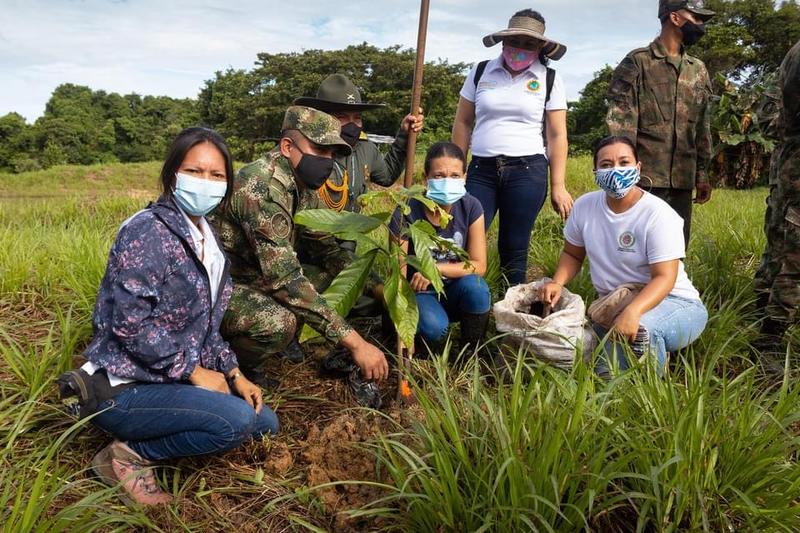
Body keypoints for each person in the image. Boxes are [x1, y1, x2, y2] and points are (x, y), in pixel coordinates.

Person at [80, 127, 278, 506]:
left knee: (264, 423)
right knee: (234, 422)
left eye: (217, 175)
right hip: (124, 386)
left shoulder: (208, 238)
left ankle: (182, 418)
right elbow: (129, 323)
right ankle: (127, 457)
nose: (206, 183)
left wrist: (234, 373)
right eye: (195, 171)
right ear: (172, 174)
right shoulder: (149, 232)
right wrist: (193, 371)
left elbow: (205, 328)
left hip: (163, 378)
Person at [209, 106, 389, 406]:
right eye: (319, 149)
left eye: (332, 153)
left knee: (333, 278)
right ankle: (228, 366)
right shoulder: (262, 188)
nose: (327, 161)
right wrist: (356, 343)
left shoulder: (302, 185)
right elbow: (285, 281)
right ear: (287, 147)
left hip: (257, 274)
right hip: (220, 286)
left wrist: (377, 286)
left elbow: (325, 248)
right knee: (278, 322)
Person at [540, 136, 707, 375]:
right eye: (606, 165)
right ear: (595, 171)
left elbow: (664, 278)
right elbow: (572, 254)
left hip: (676, 303)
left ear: (638, 168)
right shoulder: (585, 207)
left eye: (624, 162)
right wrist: (557, 282)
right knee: (603, 376)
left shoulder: (658, 214)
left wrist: (633, 312)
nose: (615, 170)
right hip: (617, 303)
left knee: (642, 330)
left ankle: (652, 397)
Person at [451, 8, 572, 287]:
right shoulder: (481, 71)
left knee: (514, 245)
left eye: (529, 43)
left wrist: (558, 184)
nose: (520, 49)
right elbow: (463, 122)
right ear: (503, 41)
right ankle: (465, 302)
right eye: (515, 41)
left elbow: (556, 135)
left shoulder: (549, 79)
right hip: (481, 168)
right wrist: (459, 169)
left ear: (541, 46)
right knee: (466, 236)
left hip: (528, 170)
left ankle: (508, 308)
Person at [606, 0, 715, 247]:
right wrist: (625, 175)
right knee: (634, 249)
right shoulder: (638, 62)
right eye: (696, 18)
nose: (700, 25)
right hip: (643, 181)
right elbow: (621, 126)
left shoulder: (698, 69)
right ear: (675, 18)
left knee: (675, 250)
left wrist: (702, 174)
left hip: (682, 181)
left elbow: (702, 126)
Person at [390, 142, 491, 355]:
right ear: (426, 178)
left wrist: (434, 269)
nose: (447, 181)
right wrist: (402, 329)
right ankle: (429, 346)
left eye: (455, 175)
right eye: (439, 175)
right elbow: (398, 273)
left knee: (478, 289)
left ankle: (472, 352)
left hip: (455, 287)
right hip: (420, 292)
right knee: (435, 328)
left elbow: (479, 265)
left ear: (465, 177)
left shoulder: (471, 207)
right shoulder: (406, 211)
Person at [294, 73, 424, 214]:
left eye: (357, 118)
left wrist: (404, 135)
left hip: (354, 233)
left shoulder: (366, 149)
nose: (352, 125)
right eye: (341, 117)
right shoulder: (304, 151)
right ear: (322, 117)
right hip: (313, 233)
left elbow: (387, 176)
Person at [753, 40, 800, 364]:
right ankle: (771, 335)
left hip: (786, 161)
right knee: (795, 256)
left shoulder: (791, 53)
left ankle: (762, 308)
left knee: (781, 240)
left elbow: (766, 115)